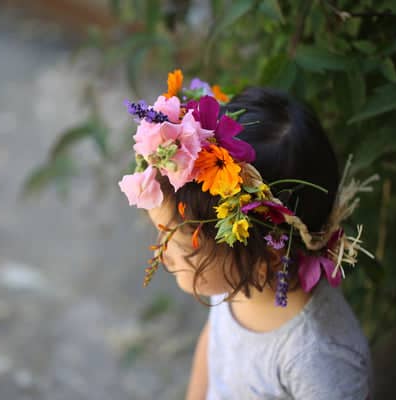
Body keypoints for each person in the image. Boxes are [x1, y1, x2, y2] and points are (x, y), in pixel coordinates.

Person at [119, 70, 375, 399]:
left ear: (266, 257)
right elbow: (213, 345)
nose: (160, 252)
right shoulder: (235, 274)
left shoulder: (318, 357)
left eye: (181, 245)